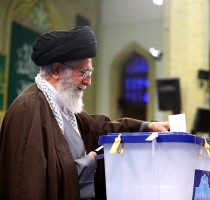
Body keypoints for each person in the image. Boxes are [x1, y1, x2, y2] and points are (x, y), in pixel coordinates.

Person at [0, 26, 170, 200]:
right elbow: (27, 185)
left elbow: (100, 128)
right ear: (57, 70)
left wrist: (147, 126)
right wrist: (86, 165)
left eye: (89, 73)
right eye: (83, 72)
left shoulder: (63, 107)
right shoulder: (28, 109)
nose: (88, 81)